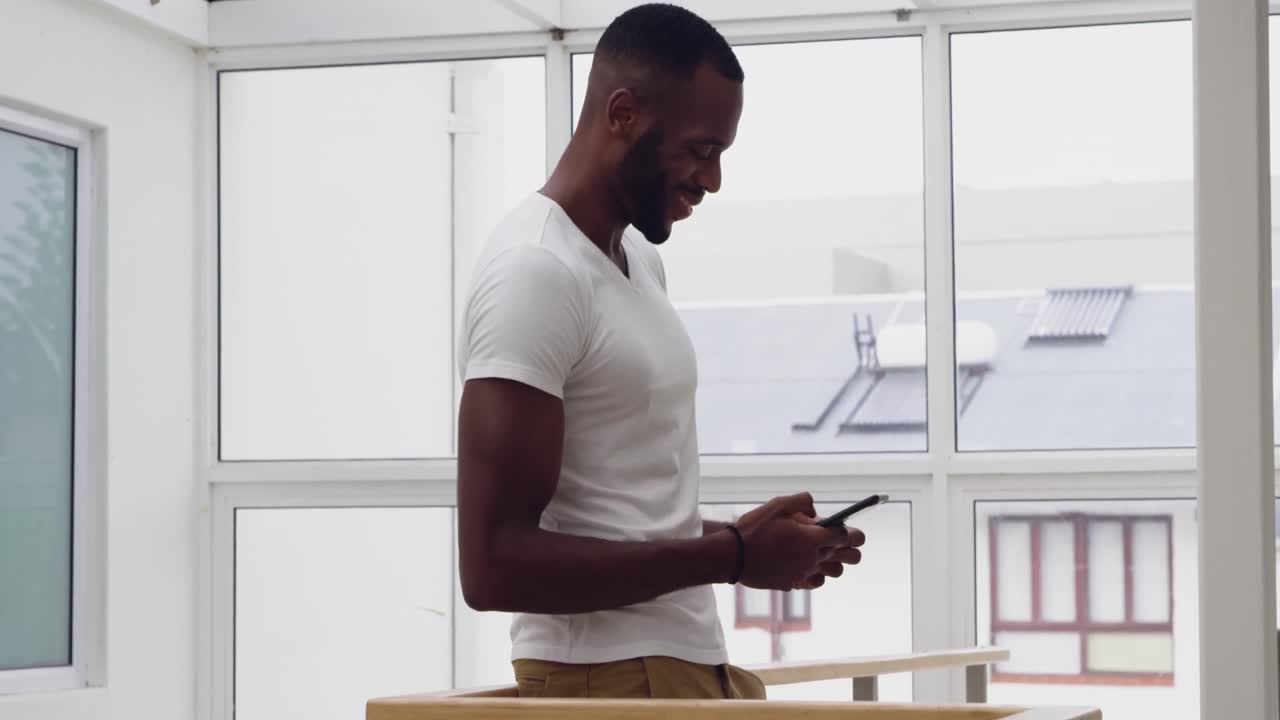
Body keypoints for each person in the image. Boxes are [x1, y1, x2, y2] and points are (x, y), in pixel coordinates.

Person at [455, 2, 866, 700]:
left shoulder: (638, 262)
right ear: (623, 113)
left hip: (676, 664)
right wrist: (733, 554)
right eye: (701, 150)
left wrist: (754, 540)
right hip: (606, 675)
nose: (711, 180)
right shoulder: (535, 271)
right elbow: (493, 566)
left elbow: (620, 518)